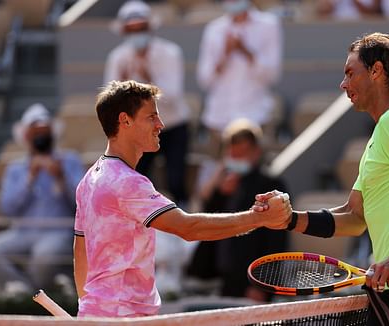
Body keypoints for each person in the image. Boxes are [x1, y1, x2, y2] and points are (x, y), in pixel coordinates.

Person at [255, 33, 389, 325]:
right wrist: (289, 219)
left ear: (376, 71)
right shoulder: (381, 133)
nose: (343, 84)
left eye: (350, 73)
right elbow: (354, 217)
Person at [73, 80, 291, 317]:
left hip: (99, 314)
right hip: (124, 318)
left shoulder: (90, 179)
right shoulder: (127, 182)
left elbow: (81, 253)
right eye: (151, 117)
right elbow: (189, 228)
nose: (161, 124)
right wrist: (257, 218)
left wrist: (88, 308)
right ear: (125, 120)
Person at [187, 119, 288, 302]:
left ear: (256, 152)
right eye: (233, 154)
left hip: (251, 280)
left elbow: (276, 241)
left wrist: (262, 285)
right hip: (220, 277)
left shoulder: (270, 185)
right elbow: (206, 218)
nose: (237, 158)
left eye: (242, 153)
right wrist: (219, 190)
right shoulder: (225, 184)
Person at [0, 103, 84, 295]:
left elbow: (83, 203)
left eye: (45, 133)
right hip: (23, 231)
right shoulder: (16, 168)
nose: (41, 138)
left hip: (59, 231)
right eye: (36, 134)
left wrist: (61, 177)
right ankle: (28, 292)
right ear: (27, 137)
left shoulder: (70, 160)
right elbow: (7, 208)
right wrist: (29, 179)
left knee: (44, 257)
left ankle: (33, 296)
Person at [104, 0, 190, 205]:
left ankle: (183, 228)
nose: (137, 34)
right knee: (137, 180)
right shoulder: (117, 58)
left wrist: (149, 81)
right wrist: (122, 86)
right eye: (131, 29)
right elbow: (109, 102)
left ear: (149, 28)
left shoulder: (170, 52)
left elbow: (174, 96)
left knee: (175, 180)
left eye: (141, 28)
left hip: (173, 125)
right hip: (139, 130)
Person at [196, 0, 282, 157]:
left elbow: (272, 75)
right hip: (218, 118)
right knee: (218, 175)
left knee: (256, 177)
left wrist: (245, 50)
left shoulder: (269, 24)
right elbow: (204, 79)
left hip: (256, 116)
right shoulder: (214, 29)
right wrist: (226, 53)